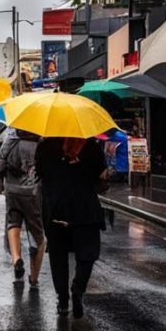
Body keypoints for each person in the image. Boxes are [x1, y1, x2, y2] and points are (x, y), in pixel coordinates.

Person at [35, 136, 107, 318]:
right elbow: (100, 176)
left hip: (56, 207)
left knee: (58, 256)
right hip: (85, 208)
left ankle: (62, 300)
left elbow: (40, 173)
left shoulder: (46, 146)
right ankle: (78, 288)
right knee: (88, 252)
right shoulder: (91, 145)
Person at [0, 129, 45, 287]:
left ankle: (16, 258)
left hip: (12, 190)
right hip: (33, 192)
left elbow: (0, 165)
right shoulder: (41, 143)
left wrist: (1, 183)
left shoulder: (10, 139)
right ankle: (34, 278)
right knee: (38, 236)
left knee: (13, 222)